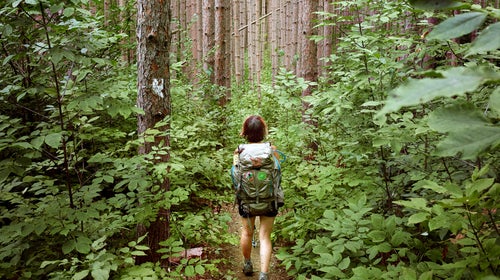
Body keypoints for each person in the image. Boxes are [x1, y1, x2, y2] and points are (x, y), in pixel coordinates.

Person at [233, 115, 280, 280]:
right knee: (265, 236)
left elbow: (235, 176)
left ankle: (247, 264)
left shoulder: (239, 151)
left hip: (246, 201)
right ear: (263, 131)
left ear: (245, 132)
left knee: (247, 233)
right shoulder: (272, 150)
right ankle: (264, 274)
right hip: (269, 200)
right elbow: (277, 174)